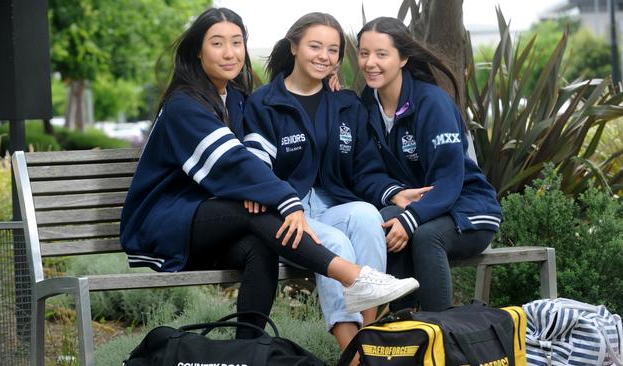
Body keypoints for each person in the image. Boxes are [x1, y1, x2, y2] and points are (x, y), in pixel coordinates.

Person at [120, 7, 418, 339]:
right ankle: (352, 276)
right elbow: (231, 160)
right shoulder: (183, 105)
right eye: (217, 43)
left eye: (237, 42)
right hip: (168, 219)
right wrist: (285, 200)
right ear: (197, 51)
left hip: (212, 219)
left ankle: (248, 350)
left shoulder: (235, 98)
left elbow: (257, 148)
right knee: (253, 208)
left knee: (259, 245)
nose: (230, 52)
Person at [242, 12, 424, 349]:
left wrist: (395, 194)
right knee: (336, 244)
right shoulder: (264, 102)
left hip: (332, 203)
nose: (323, 56)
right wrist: (263, 191)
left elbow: (365, 167)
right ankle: (351, 356)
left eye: (333, 50)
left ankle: (369, 344)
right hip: (286, 214)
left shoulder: (344, 104)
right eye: (315, 46)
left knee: (367, 216)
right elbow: (254, 165)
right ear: (294, 46)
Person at [356, 17, 502, 312]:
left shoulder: (432, 102)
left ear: (403, 58)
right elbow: (365, 170)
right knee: (385, 221)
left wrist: (411, 218)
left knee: (423, 235)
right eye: (363, 53)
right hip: (417, 208)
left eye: (381, 54)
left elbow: (449, 180)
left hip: (467, 210)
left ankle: (440, 334)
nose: (371, 62)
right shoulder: (367, 103)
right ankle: (404, 332)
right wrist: (395, 194)